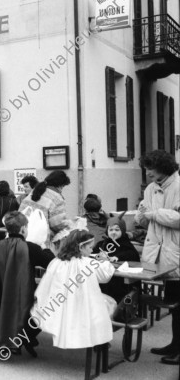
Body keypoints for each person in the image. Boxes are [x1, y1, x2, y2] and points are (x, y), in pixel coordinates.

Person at [0, 211, 54, 357]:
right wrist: (45, 248)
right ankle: (24, 337)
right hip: (20, 298)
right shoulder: (31, 248)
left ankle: (7, 338)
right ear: (24, 229)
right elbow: (52, 263)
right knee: (48, 304)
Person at [31, 229, 115, 349]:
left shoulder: (56, 262)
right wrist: (106, 261)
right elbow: (105, 275)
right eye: (90, 247)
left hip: (58, 304)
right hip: (83, 303)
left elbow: (45, 285)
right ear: (81, 248)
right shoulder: (88, 263)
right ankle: (100, 343)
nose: (92, 250)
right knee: (111, 304)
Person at [134, 150, 180, 365]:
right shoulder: (151, 189)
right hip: (159, 254)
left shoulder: (179, 185)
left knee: (179, 304)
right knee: (173, 304)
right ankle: (174, 344)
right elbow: (145, 221)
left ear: (163, 167)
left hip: (175, 252)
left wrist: (153, 213)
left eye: (150, 168)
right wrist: (141, 215)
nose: (147, 173)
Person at [19, 170, 72, 250]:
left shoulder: (35, 191)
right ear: (60, 185)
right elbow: (57, 224)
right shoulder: (56, 197)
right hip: (40, 242)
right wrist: (71, 226)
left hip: (23, 237)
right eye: (63, 187)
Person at [93, 216, 140, 302]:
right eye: (111, 230)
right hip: (105, 277)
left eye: (117, 230)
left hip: (120, 280)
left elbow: (132, 254)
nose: (113, 232)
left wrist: (117, 257)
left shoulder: (126, 243)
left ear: (122, 230)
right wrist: (98, 256)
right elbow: (93, 254)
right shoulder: (103, 243)